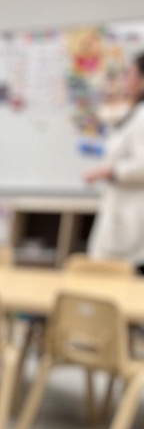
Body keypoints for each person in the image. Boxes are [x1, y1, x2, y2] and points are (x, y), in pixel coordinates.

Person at [85, 51, 144, 273]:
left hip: (132, 217)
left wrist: (109, 171)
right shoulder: (135, 114)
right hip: (124, 213)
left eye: (130, 73)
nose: (126, 80)